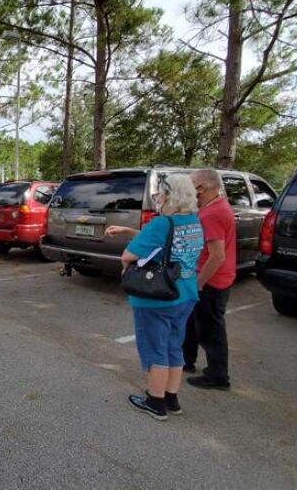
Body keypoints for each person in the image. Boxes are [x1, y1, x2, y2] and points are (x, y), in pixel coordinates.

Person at [105, 174, 203, 421]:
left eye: (159, 193)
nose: (157, 198)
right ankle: (172, 398)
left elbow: (129, 255)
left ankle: (155, 401)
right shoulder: (193, 222)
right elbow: (166, 243)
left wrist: (128, 252)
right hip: (186, 293)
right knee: (173, 346)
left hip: (158, 297)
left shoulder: (162, 223)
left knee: (155, 349)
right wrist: (130, 230)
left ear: (168, 195)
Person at [184, 169, 237, 391]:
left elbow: (217, 256)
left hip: (212, 282)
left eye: (191, 185)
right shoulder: (212, 208)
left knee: (210, 330)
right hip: (210, 278)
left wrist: (198, 284)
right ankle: (186, 360)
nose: (188, 189)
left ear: (201, 188)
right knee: (191, 324)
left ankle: (217, 376)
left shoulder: (212, 213)